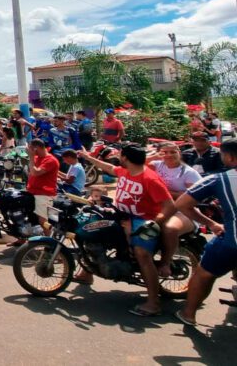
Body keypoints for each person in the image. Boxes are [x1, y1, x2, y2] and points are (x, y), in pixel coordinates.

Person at [78, 144, 175, 317]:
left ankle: (153, 303)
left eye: (121, 156)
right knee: (92, 228)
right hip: (121, 214)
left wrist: (152, 223)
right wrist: (88, 158)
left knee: (141, 254)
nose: (118, 158)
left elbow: (169, 206)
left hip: (141, 220)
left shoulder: (150, 179)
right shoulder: (126, 172)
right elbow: (108, 167)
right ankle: (87, 272)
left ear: (126, 158)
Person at [175, 139, 237, 326]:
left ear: (230, 157)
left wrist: (210, 224)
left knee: (204, 274)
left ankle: (188, 313)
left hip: (232, 241)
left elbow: (182, 204)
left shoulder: (220, 179)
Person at [147, 142, 204, 278]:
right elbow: (132, 164)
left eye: (173, 152)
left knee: (170, 229)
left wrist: (165, 192)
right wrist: (152, 156)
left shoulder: (189, 173)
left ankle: (165, 263)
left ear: (179, 152)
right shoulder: (156, 165)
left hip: (183, 211)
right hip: (158, 208)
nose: (169, 155)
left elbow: (196, 197)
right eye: (164, 152)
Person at [25, 139, 59, 235]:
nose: (29, 150)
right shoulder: (36, 158)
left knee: (43, 221)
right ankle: (21, 238)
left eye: (31, 148)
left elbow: (35, 173)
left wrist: (31, 157)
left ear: (37, 148)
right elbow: (30, 173)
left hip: (44, 194)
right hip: (31, 191)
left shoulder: (50, 160)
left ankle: (50, 243)